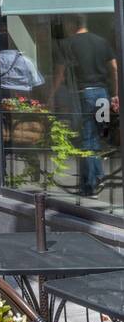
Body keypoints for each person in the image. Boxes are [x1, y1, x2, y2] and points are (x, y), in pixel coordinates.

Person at [53, 16, 120, 198]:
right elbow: (114, 67)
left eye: (66, 24)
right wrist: (115, 93)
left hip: (84, 95)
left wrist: (52, 94)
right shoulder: (101, 41)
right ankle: (98, 176)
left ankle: (90, 187)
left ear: (71, 24)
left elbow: (60, 73)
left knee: (88, 139)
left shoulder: (67, 44)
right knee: (98, 136)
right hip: (102, 94)